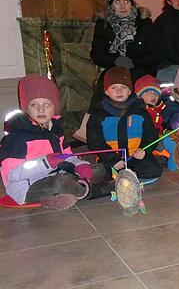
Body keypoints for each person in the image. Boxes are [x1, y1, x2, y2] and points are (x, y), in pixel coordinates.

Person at [0, 75, 108, 209]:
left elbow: (68, 157)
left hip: (57, 174)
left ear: (54, 108)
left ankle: (59, 196)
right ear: (26, 108)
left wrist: (80, 164)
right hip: (27, 186)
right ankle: (90, 192)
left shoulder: (55, 130)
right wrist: (45, 163)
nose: (41, 110)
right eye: (34, 105)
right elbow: (12, 175)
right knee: (59, 183)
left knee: (98, 169)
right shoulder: (16, 138)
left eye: (47, 104)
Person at [89, 0, 158, 109]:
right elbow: (97, 54)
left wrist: (131, 62)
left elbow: (154, 54)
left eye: (126, 1)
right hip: (113, 68)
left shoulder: (145, 23)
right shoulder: (103, 25)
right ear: (111, 6)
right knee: (107, 85)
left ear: (131, 2)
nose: (123, 6)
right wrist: (117, 60)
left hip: (140, 68)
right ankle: (96, 122)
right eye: (117, 2)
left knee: (143, 87)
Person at [87, 67, 163, 180]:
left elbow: (151, 134)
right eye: (114, 87)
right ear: (106, 91)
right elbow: (95, 141)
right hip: (111, 159)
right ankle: (119, 175)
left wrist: (145, 150)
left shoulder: (140, 112)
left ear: (129, 91)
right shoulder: (99, 114)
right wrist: (112, 158)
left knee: (154, 170)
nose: (119, 91)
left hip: (135, 157)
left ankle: (130, 174)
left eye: (123, 87)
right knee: (101, 175)